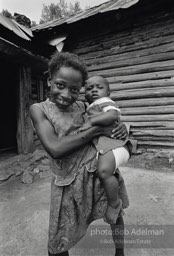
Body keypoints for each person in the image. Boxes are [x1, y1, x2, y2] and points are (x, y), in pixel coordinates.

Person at [30, 51, 129, 256]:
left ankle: (120, 252)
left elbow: (110, 119)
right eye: (60, 85)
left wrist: (122, 128)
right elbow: (55, 148)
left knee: (115, 214)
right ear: (49, 80)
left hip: (97, 171)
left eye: (75, 89)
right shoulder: (39, 109)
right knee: (58, 241)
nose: (66, 94)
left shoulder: (84, 105)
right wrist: (97, 129)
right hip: (66, 183)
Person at [80, 75, 133, 224]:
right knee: (103, 171)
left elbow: (112, 115)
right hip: (107, 145)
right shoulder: (90, 107)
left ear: (108, 93)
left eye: (99, 87)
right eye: (89, 88)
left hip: (115, 144)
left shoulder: (104, 102)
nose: (94, 90)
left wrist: (91, 121)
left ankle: (114, 203)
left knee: (103, 171)